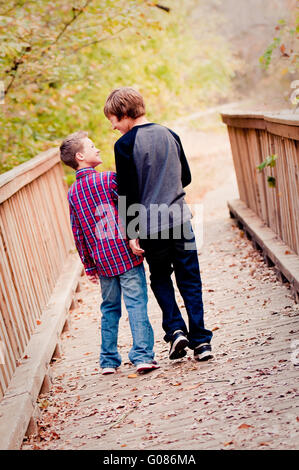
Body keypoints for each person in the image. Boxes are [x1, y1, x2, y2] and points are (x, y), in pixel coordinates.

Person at [104, 87, 213, 362]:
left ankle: (176, 331)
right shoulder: (170, 134)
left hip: (151, 227)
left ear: (125, 114)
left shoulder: (125, 145)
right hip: (181, 219)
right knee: (191, 278)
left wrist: (131, 233)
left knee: (160, 277)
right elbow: (185, 177)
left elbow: (127, 193)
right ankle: (201, 342)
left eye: (114, 120)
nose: (114, 127)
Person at [59, 131, 159, 375]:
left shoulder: (72, 193)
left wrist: (89, 265)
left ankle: (108, 360)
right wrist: (137, 235)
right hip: (125, 253)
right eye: (92, 146)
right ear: (81, 156)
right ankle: (142, 355)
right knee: (136, 303)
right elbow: (130, 208)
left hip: (102, 261)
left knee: (109, 308)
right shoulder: (108, 180)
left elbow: (78, 233)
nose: (98, 149)